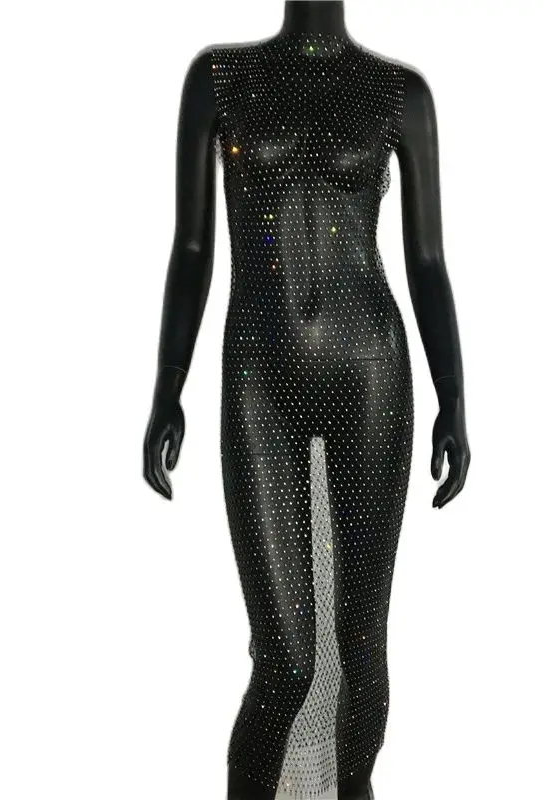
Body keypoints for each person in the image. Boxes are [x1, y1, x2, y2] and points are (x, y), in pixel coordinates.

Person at [143, 3, 470, 798]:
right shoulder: (222, 78)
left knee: (360, 651)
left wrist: (454, 397)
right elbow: (192, 246)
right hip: (261, 379)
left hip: (371, 376)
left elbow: (428, 260)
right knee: (286, 661)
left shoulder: (398, 92)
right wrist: (167, 388)